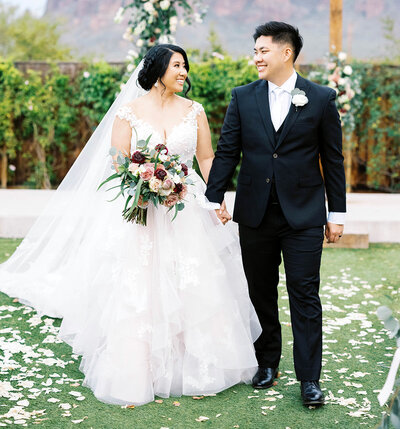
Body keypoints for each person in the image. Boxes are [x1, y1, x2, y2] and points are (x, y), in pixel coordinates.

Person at [0, 44, 261, 406]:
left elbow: (205, 156)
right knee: (140, 284)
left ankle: (197, 364)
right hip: (141, 210)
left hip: (186, 209)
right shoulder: (129, 112)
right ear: (157, 71)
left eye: (185, 66)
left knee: (193, 280)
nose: (184, 72)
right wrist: (144, 180)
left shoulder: (194, 111)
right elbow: (118, 160)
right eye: (177, 66)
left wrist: (216, 198)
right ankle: (138, 366)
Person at [205, 21, 346, 407]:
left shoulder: (320, 98)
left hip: (303, 215)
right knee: (259, 293)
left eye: (263, 50)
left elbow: (332, 160)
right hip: (254, 214)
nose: (256, 58)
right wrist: (212, 197)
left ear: (286, 53)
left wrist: (338, 214)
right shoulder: (243, 97)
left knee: (304, 294)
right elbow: (228, 149)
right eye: (254, 51)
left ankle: (309, 380)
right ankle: (266, 363)